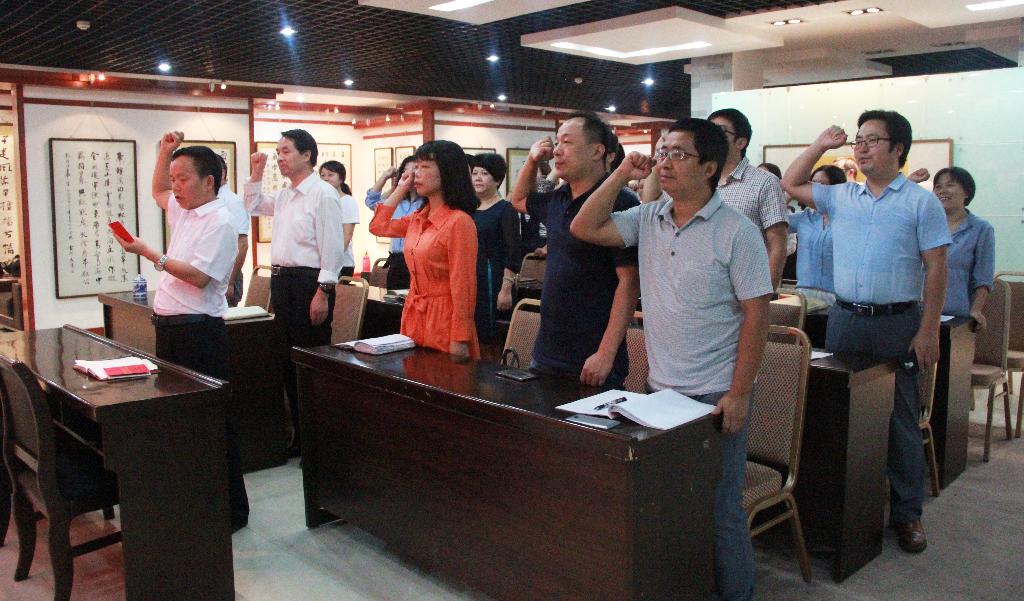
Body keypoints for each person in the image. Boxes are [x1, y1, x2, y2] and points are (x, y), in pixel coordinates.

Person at [570, 118, 772, 601]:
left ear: (709, 167)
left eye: (678, 154)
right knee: (669, 508)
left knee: (720, 512)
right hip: (660, 392)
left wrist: (739, 393)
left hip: (714, 396)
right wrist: (622, 173)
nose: (664, 162)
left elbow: (757, 316)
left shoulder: (737, 231)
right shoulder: (648, 218)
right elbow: (584, 226)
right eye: (662, 152)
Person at [781, 110, 950, 554]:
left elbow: (937, 268)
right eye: (859, 139)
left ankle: (907, 513)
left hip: (898, 322)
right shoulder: (842, 196)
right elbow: (790, 183)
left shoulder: (920, 203)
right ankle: (845, 507)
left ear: (898, 149)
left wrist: (929, 329)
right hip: (846, 319)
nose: (861, 147)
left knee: (899, 418)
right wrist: (821, 145)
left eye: (873, 139)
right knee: (840, 412)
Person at [116, 136, 249, 533]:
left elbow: (199, 277)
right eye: (174, 178)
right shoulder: (186, 211)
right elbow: (157, 190)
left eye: (183, 178)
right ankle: (195, 502)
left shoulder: (221, 221)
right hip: (171, 329)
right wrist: (164, 152)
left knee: (211, 422)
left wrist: (149, 253)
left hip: (200, 334)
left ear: (210, 180)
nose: (175, 186)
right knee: (181, 423)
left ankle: (231, 512)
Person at [509, 112, 640, 388]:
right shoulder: (559, 196)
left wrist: (606, 354)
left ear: (597, 151)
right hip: (547, 351)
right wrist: (532, 160)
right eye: (557, 142)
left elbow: (629, 283)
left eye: (567, 142)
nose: (557, 150)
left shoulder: (621, 201)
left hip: (592, 355)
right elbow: (518, 199)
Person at [245, 129, 345, 455]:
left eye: (286, 151)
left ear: (307, 155)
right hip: (282, 282)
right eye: (278, 152)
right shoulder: (286, 194)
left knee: (309, 360)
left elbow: (332, 249)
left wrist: (323, 292)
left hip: (309, 284)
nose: (280, 158)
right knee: (287, 358)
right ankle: (300, 437)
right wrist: (257, 172)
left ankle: (317, 441)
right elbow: (253, 204)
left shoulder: (323, 194)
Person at [369, 141, 480, 359]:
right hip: (414, 312)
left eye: (424, 167)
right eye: (415, 167)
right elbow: (378, 226)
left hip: (444, 316)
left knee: (441, 375)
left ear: (447, 172)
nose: (415, 173)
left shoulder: (459, 222)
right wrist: (401, 187)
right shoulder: (418, 217)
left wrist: (460, 337)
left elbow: (464, 286)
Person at [708, 108, 789, 289]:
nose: (711, 137)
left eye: (719, 131)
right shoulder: (702, 180)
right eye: (708, 130)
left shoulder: (764, 182)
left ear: (741, 142)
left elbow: (777, 245)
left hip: (747, 289)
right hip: (706, 288)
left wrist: (765, 293)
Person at [933, 167, 995, 326]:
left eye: (950, 185)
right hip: (921, 312)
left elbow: (984, 277)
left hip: (957, 316)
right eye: (938, 186)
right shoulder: (926, 226)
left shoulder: (981, 229)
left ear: (966, 192)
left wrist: (976, 310)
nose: (942, 191)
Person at [470, 153, 520, 344]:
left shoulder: (506, 209)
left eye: (484, 174)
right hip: (470, 276)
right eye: (475, 173)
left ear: (497, 180)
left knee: (490, 336)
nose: (478, 178)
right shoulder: (467, 208)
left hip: (493, 278)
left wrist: (506, 289)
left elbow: (513, 252)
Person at [787, 164, 844, 307]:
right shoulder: (805, 216)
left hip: (837, 296)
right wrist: (790, 194)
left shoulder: (847, 218)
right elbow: (773, 221)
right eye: (813, 184)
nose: (815, 189)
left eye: (822, 185)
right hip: (804, 294)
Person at [365, 155, 424, 289]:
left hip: (416, 260)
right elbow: (371, 202)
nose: (410, 175)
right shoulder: (397, 201)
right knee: (393, 298)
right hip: (396, 260)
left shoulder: (425, 203)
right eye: (405, 170)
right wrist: (385, 177)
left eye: (415, 170)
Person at [214, 154, 250, 307]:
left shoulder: (232, 202)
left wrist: (230, 282)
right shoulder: (206, 200)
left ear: (222, 173)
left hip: (227, 274)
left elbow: (242, 244)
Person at [319, 160, 361, 277]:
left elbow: (347, 236)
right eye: (323, 175)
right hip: (321, 263)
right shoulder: (320, 200)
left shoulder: (348, 201)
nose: (326, 179)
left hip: (342, 263)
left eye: (330, 175)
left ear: (341, 179)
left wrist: (332, 260)